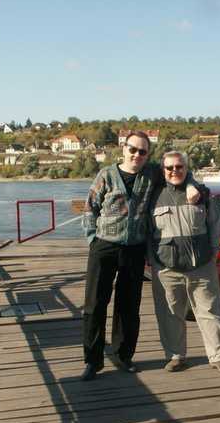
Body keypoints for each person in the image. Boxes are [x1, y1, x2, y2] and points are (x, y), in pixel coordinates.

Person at [81, 131, 201, 381]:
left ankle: (123, 356)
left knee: (128, 305)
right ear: (123, 149)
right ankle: (93, 361)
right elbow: (90, 206)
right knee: (95, 304)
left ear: (148, 155)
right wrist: (93, 238)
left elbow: (179, 171)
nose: (137, 155)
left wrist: (190, 185)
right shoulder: (106, 174)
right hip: (104, 246)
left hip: (135, 248)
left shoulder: (152, 173)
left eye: (142, 151)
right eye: (133, 149)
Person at [148, 150, 220, 374]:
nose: (174, 171)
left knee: (210, 312)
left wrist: (213, 253)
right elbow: (146, 231)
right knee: (169, 314)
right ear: (163, 170)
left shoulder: (202, 193)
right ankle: (175, 356)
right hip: (166, 268)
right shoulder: (153, 196)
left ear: (186, 168)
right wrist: (153, 262)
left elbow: (215, 224)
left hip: (202, 265)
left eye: (179, 167)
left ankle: (219, 357)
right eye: (169, 168)